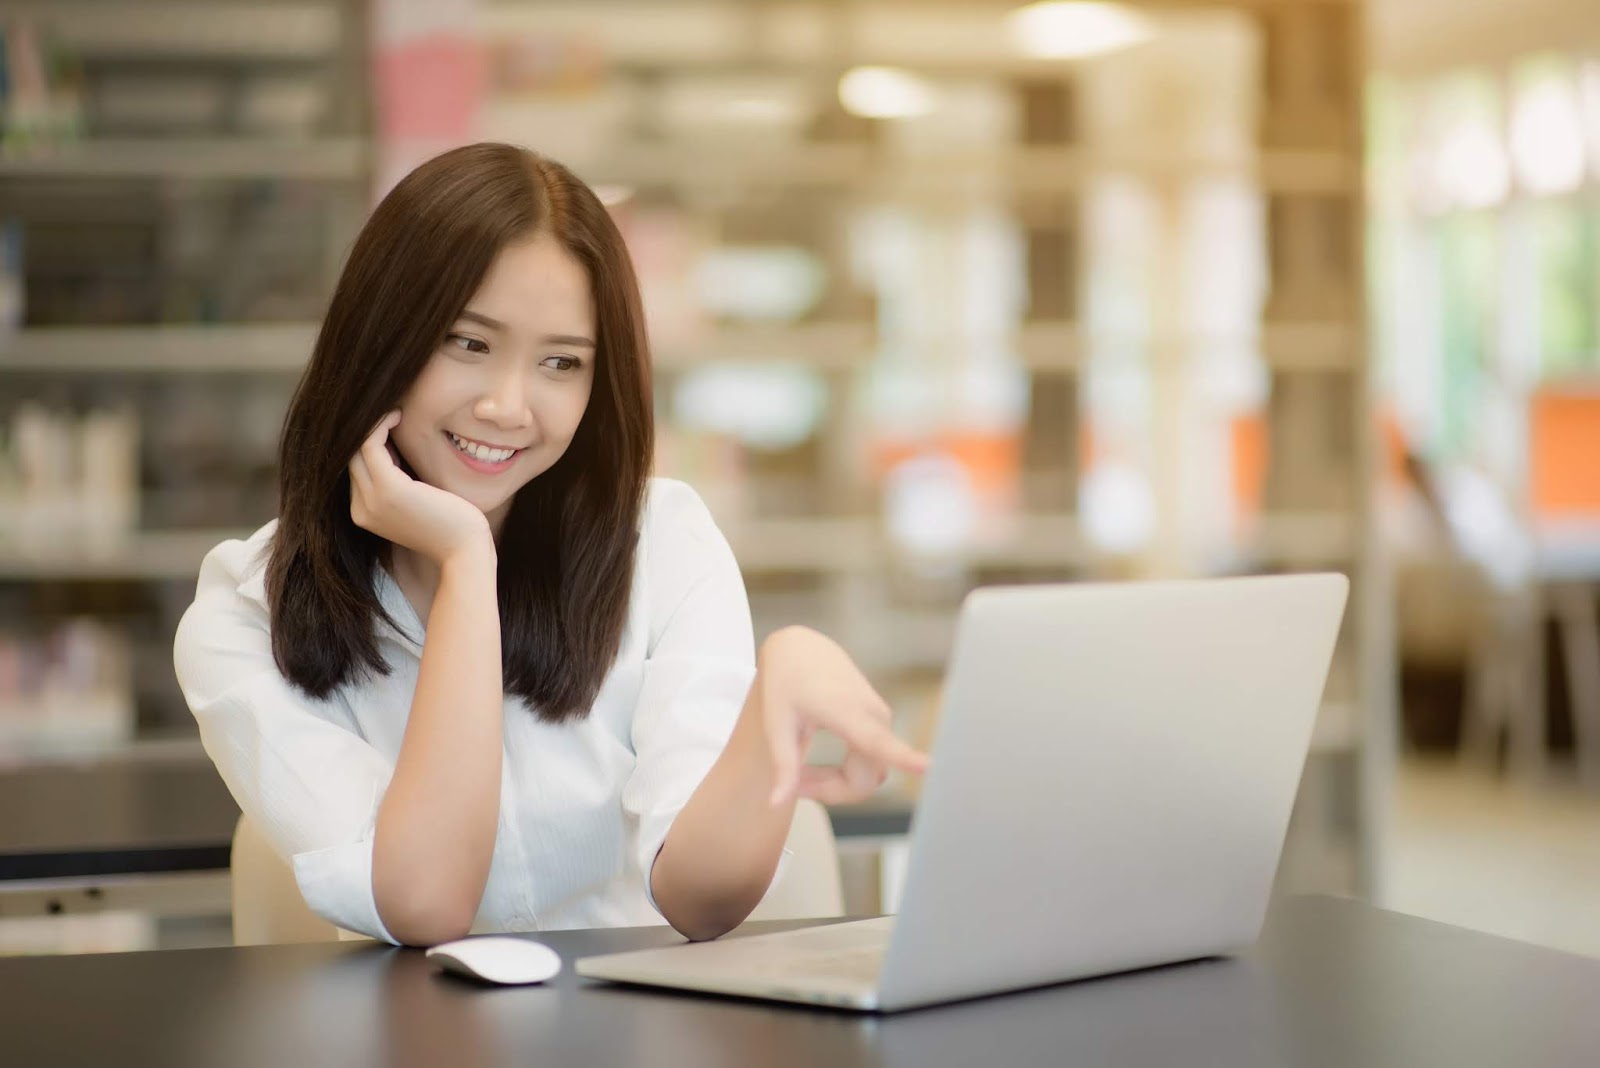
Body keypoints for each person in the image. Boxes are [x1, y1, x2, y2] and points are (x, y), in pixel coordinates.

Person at [173, 142, 927, 949]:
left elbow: (700, 899)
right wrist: (466, 562)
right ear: (383, 335)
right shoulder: (244, 615)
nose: (508, 406)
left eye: (561, 362)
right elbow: (426, 902)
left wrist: (783, 681)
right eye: (468, 343)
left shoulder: (661, 544)